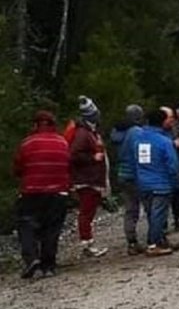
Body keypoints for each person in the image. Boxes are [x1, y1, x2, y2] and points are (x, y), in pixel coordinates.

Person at [12, 111, 71, 278]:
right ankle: (49, 266)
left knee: (26, 225)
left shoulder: (26, 143)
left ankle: (31, 259)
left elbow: (17, 168)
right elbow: (68, 165)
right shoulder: (63, 143)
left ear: (36, 125)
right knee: (52, 229)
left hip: (31, 191)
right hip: (58, 192)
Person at [132, 109, 179, 256]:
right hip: (161, 184)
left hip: (143, 183)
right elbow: (172, 165)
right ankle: (153, 244)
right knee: (159, 215)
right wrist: (175, 183)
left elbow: (136, 161)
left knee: (151, 214)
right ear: (162, 121)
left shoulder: (138, 139)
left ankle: (159, 240)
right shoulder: (165, 141)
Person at [69, 95, 109, 257]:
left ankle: (88, 242)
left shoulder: (89, 132)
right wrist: (93, 158)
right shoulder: (83, 134)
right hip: (87, 180)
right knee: (86, 212)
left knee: (88, 212)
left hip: (90, 179)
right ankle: (87, 243)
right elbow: (73, 155)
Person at [111, 104, 146, 254]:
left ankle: (131, 242)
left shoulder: (116, 131)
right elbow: (140, 154)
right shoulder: (137, 132)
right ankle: (156, 239)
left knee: (130, 209)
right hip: (135, 173)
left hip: (121, 173)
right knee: (150, 206)